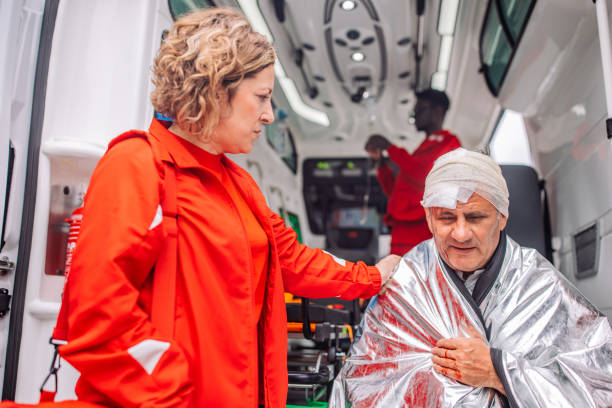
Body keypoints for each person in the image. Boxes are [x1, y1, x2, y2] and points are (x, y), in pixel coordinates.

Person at [56, 8, 400, 408]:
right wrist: (171, 393)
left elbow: (292, 259)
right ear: (216, 89)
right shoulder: (138, 166)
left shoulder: (238, 184)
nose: (268, 115)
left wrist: (373, 277)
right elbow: (98, 317)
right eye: (262, 97)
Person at [330, 148, 612, 407]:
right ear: (429, 218)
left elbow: (598, 385)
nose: (461, 234)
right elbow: (359, 385)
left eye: (475, 218)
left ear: (502, 217)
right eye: (447, 218)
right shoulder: (404, 284)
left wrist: (498, 370)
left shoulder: (540, 285)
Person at [365, 89, 461, 255]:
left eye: (419, 109)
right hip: (401, 232)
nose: (415, 115)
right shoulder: (423, 147)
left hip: (420, 235)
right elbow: (395, 194)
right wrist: (381, 165)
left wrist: (391, 148)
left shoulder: (449, 143)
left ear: (437, 111)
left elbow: (426, 178)